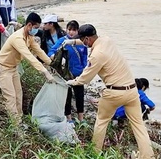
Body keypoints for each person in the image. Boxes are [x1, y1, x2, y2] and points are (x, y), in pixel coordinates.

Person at [65, 24, 154, 159]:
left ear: (88, 39)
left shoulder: (96, 55)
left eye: (83, 40)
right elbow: (88, 41)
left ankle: (95, 153)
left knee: (101, 121)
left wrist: (72, 82)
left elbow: (86, 78)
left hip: (114, 93)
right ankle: (148, 156)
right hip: (132, 91)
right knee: (139, 125)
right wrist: (72, 42)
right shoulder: (107, 40)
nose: (82, 42)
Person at [0, 12, 54, 125]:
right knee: (10, 97)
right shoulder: (18, 38)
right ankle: (15, 125)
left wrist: (51, 64)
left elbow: (38, 51)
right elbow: (29, 56)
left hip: (13, 68)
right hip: (3, 69)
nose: (36, 31)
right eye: (35, 27)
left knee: (18, 94)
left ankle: (19, 120)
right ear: (29, 25)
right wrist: (44, 71)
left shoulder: (29, 37)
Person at [48, 20, 88, 123]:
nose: (71, 32)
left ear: (77, 31)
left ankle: (81, 118)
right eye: (69, 29)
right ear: (66, 29)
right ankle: (69, 118)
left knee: (80, 96)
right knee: (67, 96)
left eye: (74, 30)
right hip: (66, 74)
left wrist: (84, 68)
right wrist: (55, 57)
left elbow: (84, 57)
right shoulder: (62, 41)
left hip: (78, 74)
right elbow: (51, 51)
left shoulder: (82, 42)